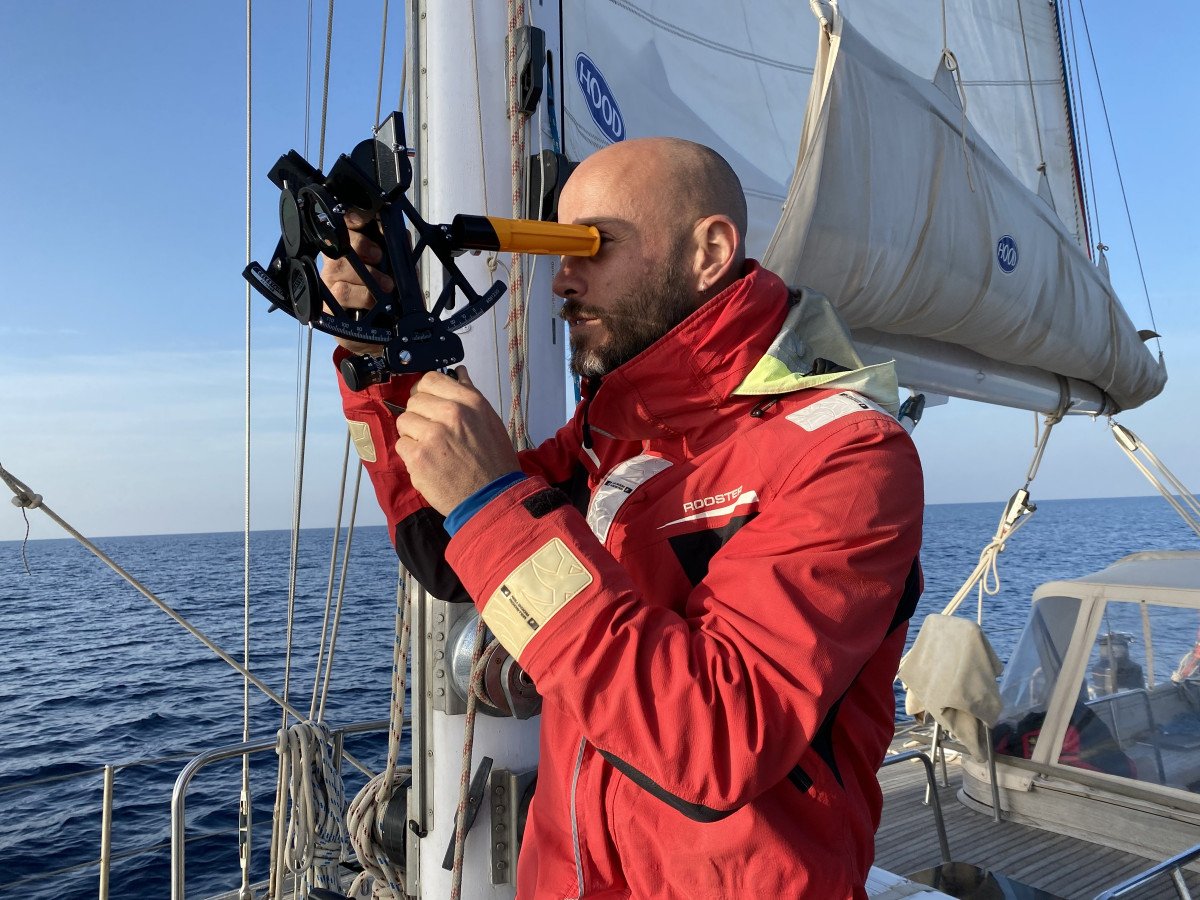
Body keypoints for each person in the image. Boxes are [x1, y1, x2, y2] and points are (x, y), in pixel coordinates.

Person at [322, 137, 923, 899]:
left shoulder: (848, 454)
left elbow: (714, 739)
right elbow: (444, 550)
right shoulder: (612, 436)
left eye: (590, 247)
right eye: (555, 251)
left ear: (709, 251)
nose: (561, 283)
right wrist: (374, 342)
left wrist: (491, 501)